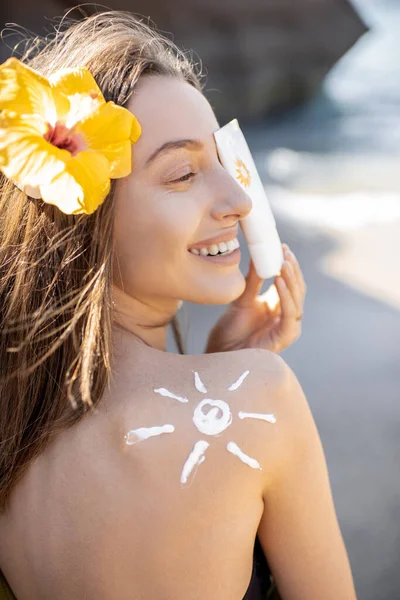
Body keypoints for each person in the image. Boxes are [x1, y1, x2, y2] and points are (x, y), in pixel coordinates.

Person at [0, 10, 357, 600]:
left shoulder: (17, 428)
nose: (239, 199)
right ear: (87, 216)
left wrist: (219, 362)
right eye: (184, 173)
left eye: (224, 162)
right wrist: (236, 376)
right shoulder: (260, 398)